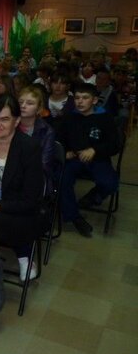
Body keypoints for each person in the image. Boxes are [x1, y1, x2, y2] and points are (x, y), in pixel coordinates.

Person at [0, 95, 45, 281]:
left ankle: (23, 256)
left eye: (4, 119)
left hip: (17, 210)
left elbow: (31, 200)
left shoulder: (29, 147)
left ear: (16, 121)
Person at [57, 83, 120, 238]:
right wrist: (65, 151)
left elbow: (114, 145)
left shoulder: (104, 118)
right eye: (77, 98)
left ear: (94, 100)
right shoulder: (69, 117)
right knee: (61, 179)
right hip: (75, 159)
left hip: (98, 159)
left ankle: (93, 197)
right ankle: (74, 217)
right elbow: (59, 139)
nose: (80, 101)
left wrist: (95, 150)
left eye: (85, 98)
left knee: (111, 182)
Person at [18, 85, 55, 184]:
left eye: (30, 103)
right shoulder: (10, 126)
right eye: (20, 102)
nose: (23, 106)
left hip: (34, 177)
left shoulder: (47, 131)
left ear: (39, 108)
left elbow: (44, 164)